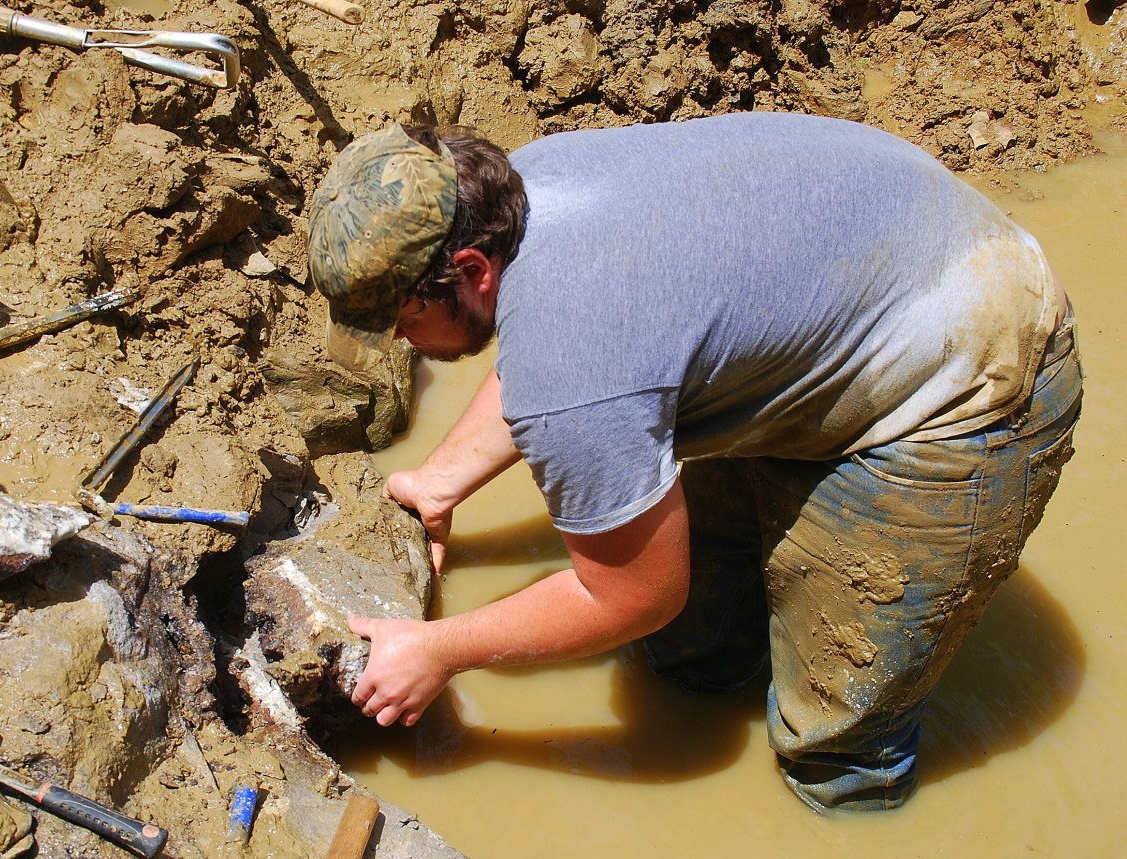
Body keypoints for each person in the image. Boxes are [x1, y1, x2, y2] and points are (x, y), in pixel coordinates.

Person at [305, 113, 1082, 812]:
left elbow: (633, 594)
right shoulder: (524, 187)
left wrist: (441, 651)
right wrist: (439, 481)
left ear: (474, 271)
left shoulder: (573, 355)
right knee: (692, 648)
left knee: (834, 745)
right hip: (863, 279)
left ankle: (858, 845)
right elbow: (561, 352)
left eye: (404, 318)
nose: (399, 341)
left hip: (969, 372)